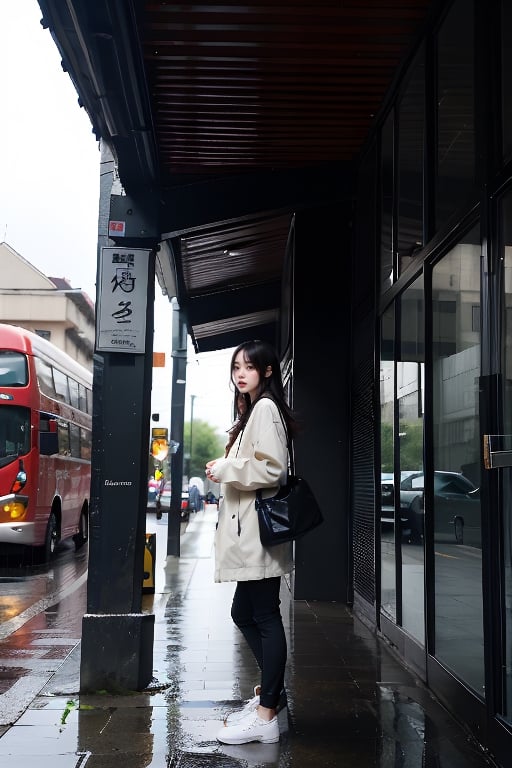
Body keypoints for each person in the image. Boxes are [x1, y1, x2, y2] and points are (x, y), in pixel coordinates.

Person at [205, 339, 297, 745]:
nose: (240, 373)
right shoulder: (253, 409)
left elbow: (273, 469)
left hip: (257, 534)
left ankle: (267, 715)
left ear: (268, 371)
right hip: (251, 535)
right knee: (246, 612)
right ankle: (272, 698)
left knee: (262, 615)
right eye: (236, 367)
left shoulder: (265, 409)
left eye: (249, 367)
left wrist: (227, 467)